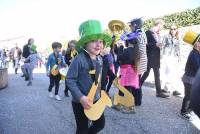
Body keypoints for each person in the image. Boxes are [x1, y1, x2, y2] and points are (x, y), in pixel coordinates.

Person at [66, 20, 112, 134]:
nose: (98, 44)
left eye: (100, 41)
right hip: (80, 102)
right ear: (85, 43)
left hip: (95, 99)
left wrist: (102, 92)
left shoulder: (99, 58)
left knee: (100, 124)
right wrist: (81, 98)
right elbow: (70, 80)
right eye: (93, 41)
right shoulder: (78, 59)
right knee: (82, 129)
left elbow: (99, 78)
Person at [141, 19, 169, 98]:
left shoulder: (157, 34)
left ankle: (137, 87)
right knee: (153, 74)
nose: (162, 27)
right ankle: (158, 92)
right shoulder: (148, 32)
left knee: (148, 74)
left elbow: (156, 44)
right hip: (150, 57)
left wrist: (160, 45)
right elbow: (145, 45)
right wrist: (155, 44)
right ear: (159, 24)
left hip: (155, 57)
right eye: (162, 26)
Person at [180, 31, 200, 121]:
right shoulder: (194, 55)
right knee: (188, 96)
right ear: (196, 44)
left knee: (192, 95)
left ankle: (189, 109)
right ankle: (183, 112)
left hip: (191, 79)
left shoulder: (196, 53)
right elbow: (197, 68)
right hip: (189, 80)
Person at [129, 17, 147, 105]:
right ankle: (137, 100)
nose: (130, 27)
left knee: (136, 81)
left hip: (138, 60)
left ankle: (137, 101)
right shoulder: (142, 32)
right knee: (137, 80)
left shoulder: (137, 34)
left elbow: (126, 38)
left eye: (131, 25)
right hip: (142, 60)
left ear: (135, 25)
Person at [161, 24, 181, 96]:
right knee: (170, 73)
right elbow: (162, 46)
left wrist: (179, 57)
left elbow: (178, 48)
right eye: (171, 29)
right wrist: (161, 57)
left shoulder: (177, 38)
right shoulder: (166, 36)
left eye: (174, 29)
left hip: (174, 57)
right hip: (167, 56)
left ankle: (166, 89)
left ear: (177, 30)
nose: (173, 30)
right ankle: (174, 89)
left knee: (171, 73)